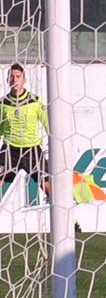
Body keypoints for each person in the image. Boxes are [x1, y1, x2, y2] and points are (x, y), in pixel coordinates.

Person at [1, 63, 49, 204]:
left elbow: (47, 123)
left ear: (24, 80)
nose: (14, 80)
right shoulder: (3, 103)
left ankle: (71, 222)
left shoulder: (35, 101)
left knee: (47, 185)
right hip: (10, 148)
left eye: (17, 76)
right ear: (7, 80)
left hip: (32, 148)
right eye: (11, 77)